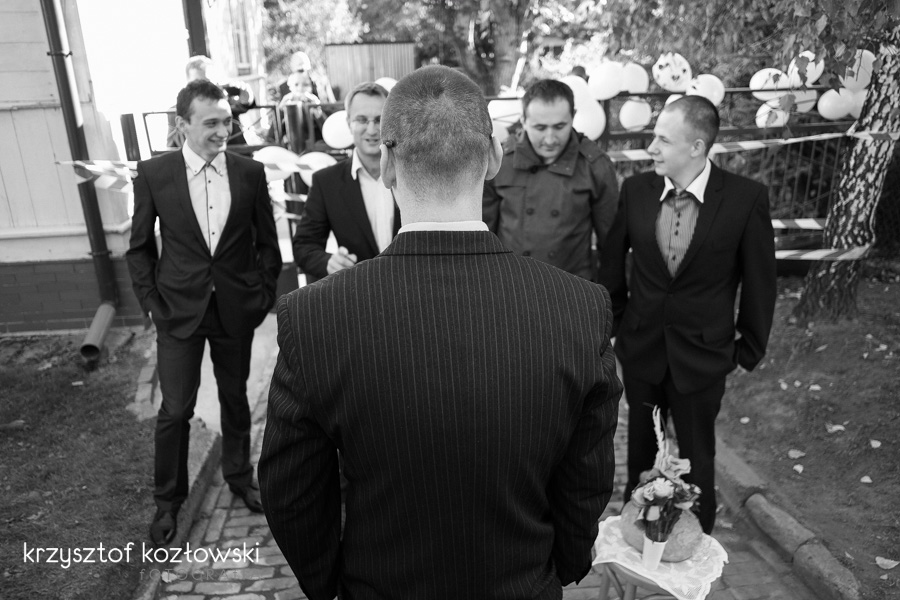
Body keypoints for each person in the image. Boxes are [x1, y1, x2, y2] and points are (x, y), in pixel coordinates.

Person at [259, 65, 622, 600]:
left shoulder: (313, 316)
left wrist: (330, 582)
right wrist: (560, 565)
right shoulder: (579, 308)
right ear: (494, 157)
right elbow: (587, 477)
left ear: (386, 165)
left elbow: (290, 489)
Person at [598, 95, 777, 534]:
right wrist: (616, 326)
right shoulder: (637, 191)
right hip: (642, 353)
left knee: (698, 461)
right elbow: (611, 262)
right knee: (640, 459)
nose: (652, 148)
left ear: (696, 147)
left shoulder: (745, 198)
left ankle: (696, 546)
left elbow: (760, 281)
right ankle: (638, 543)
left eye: (663, 139)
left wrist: (746, 349)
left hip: (703, 357)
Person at [127, 79, 282, 546]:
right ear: (183, 125)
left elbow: (267, 243)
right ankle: (167, 503)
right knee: (175, 410)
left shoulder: (250, 172)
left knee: (236, 399)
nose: (222, 131)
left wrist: (261, 295)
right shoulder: (154, 174)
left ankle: (239, 477)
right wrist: (152, 304)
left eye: (226, 122)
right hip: (177, 311)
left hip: (236, 308)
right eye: (211, 123)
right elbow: (138, 249)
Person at [483, 79, 619, 281]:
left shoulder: (595, 165)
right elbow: (484, 237)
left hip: (572, 286)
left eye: (559, 126)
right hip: (512, 284)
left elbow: (610, 244)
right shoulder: (501, 161)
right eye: (539, 127)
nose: (550, 139)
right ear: (523, 120)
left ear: (573, 116)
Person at [291, 81, 399, 283]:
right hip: (358, 294)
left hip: (412, 293)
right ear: (349, 122)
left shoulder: (414, 175)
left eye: (379, 120)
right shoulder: (326, 183)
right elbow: (303, 246)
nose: (372, 129)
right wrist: (328, 262)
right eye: (362, 120)